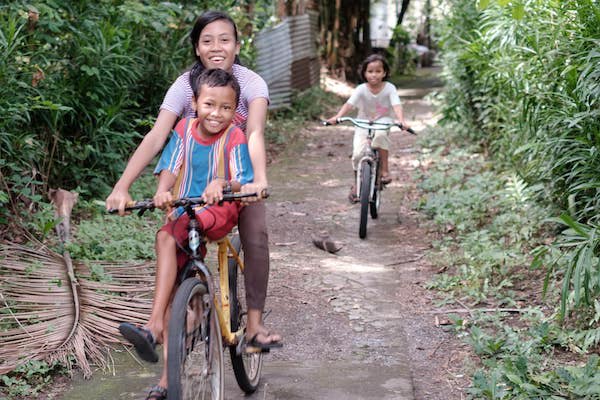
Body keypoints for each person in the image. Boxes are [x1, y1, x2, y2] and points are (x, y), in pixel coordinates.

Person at [106, 9, 281, 356]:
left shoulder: (251, 84)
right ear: (197, 48)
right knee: (173, 241)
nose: (217, 47)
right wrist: (122, 186)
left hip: (234, 181)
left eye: (224, 39)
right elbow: (159, 136)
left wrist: (258, 180)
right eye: (207, 41)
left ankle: (255, 326)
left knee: (256, 233)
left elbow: (255, 132)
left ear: (237, 44)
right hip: (190, 185)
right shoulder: (185, 85)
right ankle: (177, 317)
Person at [120, 68, 268, 400]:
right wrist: (162, 190)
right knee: (167, 251)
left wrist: (222, 184)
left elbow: (241, 179)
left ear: (235, 111)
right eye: (210, 105)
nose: (217, 114)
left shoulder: (235, 137)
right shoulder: (184, 129)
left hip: (220, 210)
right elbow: (170, 166)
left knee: (176, 233)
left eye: (226, 108)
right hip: (185, 210)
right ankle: (164, 366)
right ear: (194, 103)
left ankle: (154, 326)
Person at [326, 53, 410, 203]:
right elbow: (349, 104)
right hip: (363, 121)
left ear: (384, 73)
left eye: (378, 71)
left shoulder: (389, 88)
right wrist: (336, 117)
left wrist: (402, 120)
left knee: (380, 137)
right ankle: (357, 184)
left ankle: (384, 170)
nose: (374, 75)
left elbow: (396, 105)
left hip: (382, 120)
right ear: (364, 73)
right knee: (358, 154)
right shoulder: (361, 89)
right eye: (370, 71)